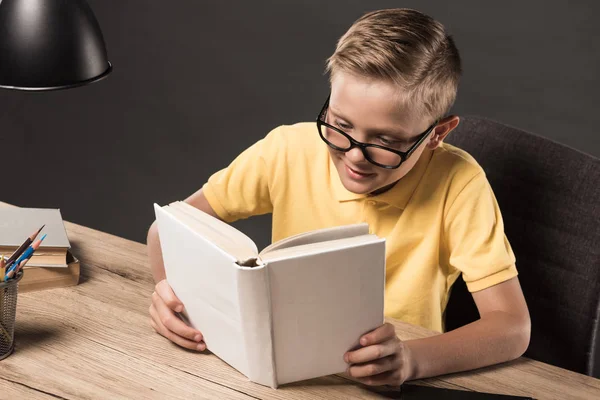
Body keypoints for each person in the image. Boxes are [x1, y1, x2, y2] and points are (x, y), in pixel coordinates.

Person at [147, 8, 530, 387]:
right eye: (340, 125)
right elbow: (164, 230)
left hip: (389, 381)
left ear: (436, 134)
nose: (354, 156)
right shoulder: (288, 149)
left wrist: (413, 360)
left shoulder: (459, 184)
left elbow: (512, 326)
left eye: (386, 141)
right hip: (273, 372)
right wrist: (171, 298)